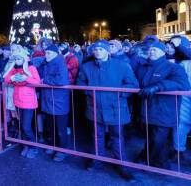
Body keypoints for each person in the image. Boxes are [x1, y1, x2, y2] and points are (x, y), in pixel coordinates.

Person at [77, 39, 139, 182]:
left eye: (101, 49)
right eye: (95, 50)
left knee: (117, 137)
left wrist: (120, 94)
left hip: (116, 108)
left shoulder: (122, 66)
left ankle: (122, 164)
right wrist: (90, 93)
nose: (98, 52)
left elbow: (133, 84)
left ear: (108, 51)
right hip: (95, 108)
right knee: (97, 136)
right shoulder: (86, 67)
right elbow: (80, 83)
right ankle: (97, 159)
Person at [135, 41, 190, 169]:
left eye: (155, 49)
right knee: (150, 137)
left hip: (164, 110)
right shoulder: (143, 67)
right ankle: (151, 158)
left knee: (159, 139)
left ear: (163, 52)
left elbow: (183, 84)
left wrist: (159, 86)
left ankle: (156, 162)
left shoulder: (173, 67)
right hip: (146, 110)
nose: (151, 51)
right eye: (150, 49)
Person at [4, 48, 41, 159]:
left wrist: (26, 78)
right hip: (17, 100)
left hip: (28, 101)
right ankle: (27, 145)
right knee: (22, 125)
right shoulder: (14, 69)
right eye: (15, 59)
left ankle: (34, 146)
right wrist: (12, 77)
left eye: (19, 58)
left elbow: (37, 82)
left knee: (26, 126)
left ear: (24, 58)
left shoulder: (31, 68)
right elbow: (5, 78)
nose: (17, 61)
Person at [38, 44, 71, 162]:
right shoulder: (45, 63)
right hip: (48, 99)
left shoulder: (60, 63)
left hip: (58, 100)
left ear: (56, 54)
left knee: (60, 128)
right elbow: (38, 74)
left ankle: (62, 150)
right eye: (46, 53)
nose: (46, 55)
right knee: (50, 126)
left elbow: (62, 80)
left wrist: (44, 81)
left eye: (49, 53)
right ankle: (53, 145)